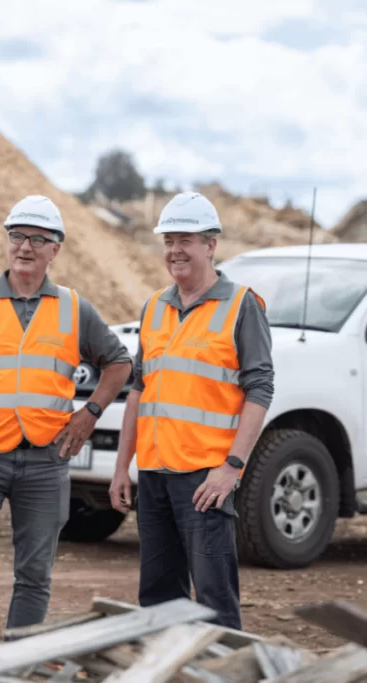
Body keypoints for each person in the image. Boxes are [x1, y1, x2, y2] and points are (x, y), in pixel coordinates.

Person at [0, 194, 132, 641]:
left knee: (36, 574)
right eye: (17, 236)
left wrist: (90, 414)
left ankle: (18, 668)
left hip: (44, 461)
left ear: (55, 249)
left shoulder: (73, 308)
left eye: (38, 239)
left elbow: (119, 363)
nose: (25, 246)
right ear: (7, 241)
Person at [108, 191, 274, 630]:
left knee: (214, 598)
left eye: (186, 239)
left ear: (211, 245)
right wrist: (124, 467)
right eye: (168, 241)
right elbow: (139, 392)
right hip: (156, 476)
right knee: (158, 599)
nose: (175, 250)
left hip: (205, 479)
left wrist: (231, 469)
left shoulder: (241, 306)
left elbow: (260, 391)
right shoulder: (154, 308)